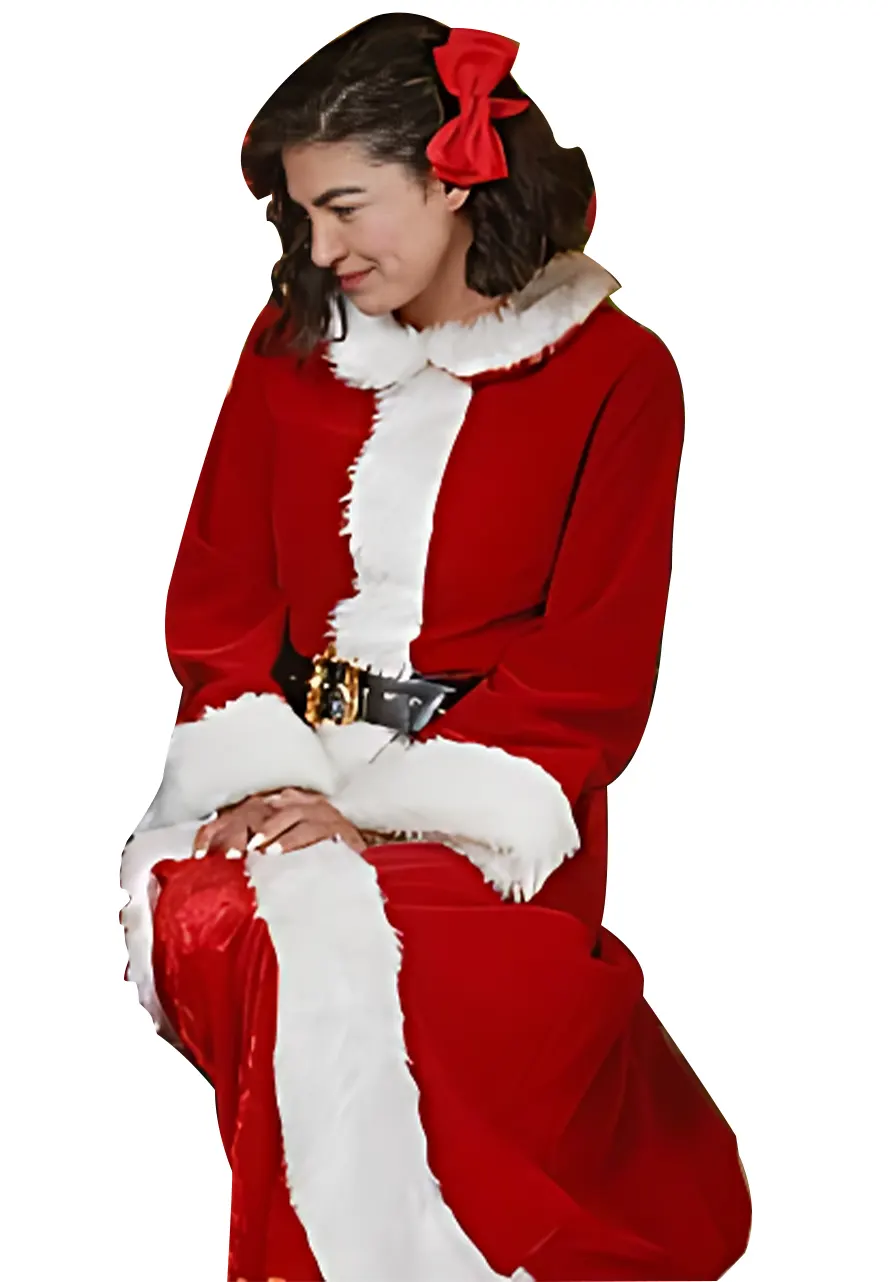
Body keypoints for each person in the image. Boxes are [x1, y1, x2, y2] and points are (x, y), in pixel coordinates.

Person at [120, 14, 752, 1281]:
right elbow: (222, 596)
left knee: (335, 943)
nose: (321, 250)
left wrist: (382, 816)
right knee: (217, 913)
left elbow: (594, 665)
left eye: (346, 206)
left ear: (453, 178)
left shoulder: (620, 374)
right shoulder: (289, 349)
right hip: (280, 771)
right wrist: (266, 779)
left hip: (490, 811)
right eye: (303, 216)